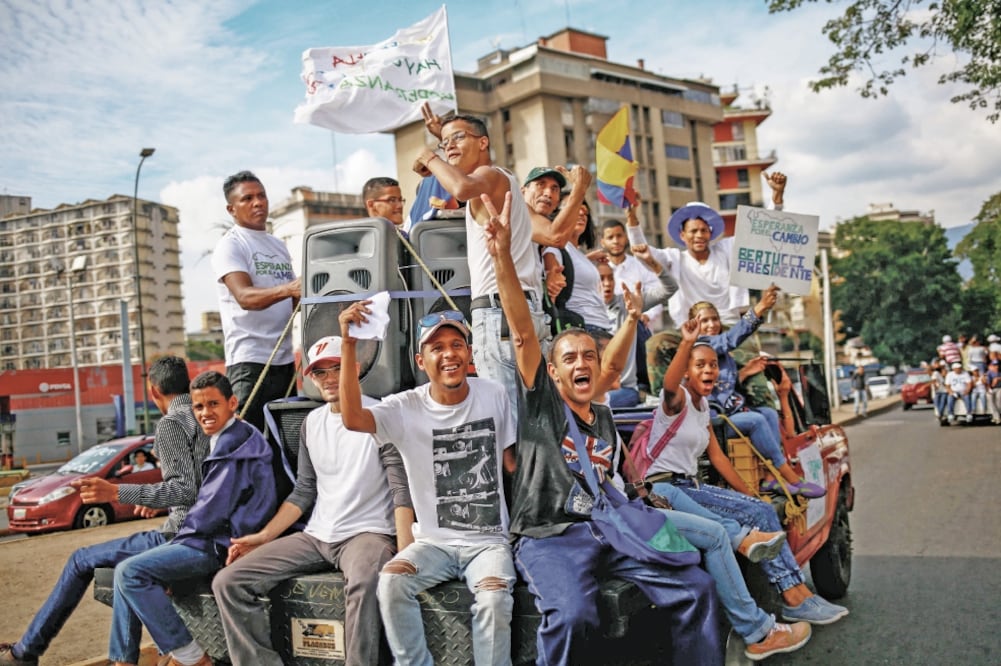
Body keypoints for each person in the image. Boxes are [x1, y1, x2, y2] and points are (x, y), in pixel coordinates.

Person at [483, 191, 725, 665]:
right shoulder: (542, 406)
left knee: (696, 586)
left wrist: (631, 319)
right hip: (551, 537)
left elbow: (614, 364)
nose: (581, 364)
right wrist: (502, 258)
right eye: (569, 358)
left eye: (588, 357)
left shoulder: (605, 417)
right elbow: (523, 332)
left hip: (607, 530)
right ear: (554, 374)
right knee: (573, 615)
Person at [212, 336, 411, 666]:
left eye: (337, 368)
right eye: (320, 372)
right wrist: (263, 537)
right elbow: (304, 490)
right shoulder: (312, 422)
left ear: (355, 369)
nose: (329, 378)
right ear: (310, 378)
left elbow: (401, 490)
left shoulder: (380, 415)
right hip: (317, 536)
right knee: (229, 582)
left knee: (364, 583)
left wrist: (405, 552)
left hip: (368, 533)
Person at [338, 301, 517, 666]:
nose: (449, 354)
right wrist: (348, 344)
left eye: (456, 345)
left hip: (488, 544)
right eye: (437, 348)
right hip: (434, 544)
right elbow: (353, 418)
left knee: (494, 599)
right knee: (391, 583)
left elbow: (512, 464)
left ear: (469, 353)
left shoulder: (494, 394)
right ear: (421, 361)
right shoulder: (405, 408)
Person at [0, 356, 207, 666]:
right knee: (123, 565)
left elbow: (185, 490)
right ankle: (121, 661)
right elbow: (198, 484)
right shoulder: (205, 416)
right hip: (196, 527)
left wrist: (116, 492)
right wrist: (156, 499)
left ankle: (24, 653)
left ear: (153, 391)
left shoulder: (171, 423)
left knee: (79, 559)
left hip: (179, 535)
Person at [644, 318, 849, 629]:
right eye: (700, 365)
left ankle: (800, 594)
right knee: (757, 514)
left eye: (713, 365)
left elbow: (718, 458)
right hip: (665, 488)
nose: (709, 370)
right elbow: (669, 384)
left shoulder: (703, 408)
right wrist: (686, 342)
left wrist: (750, 496)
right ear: (686, 370)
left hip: (689, 485)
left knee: (760, 509)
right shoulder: (677, 400)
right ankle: (793, 598)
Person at [110, 371, 279, 666]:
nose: (205, 413)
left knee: (130, 572)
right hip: (212, 535)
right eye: (199, 407)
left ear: (232, 403)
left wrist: (176, 547)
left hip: (223, 543)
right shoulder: (231, 436)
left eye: (213, 404)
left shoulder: (234, 445)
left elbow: (210, 511)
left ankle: (192, 659)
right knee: (126, 570)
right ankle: (123, 661)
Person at [690, 295, 825, 498]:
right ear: (693, 325)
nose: (711, 324)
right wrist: (759, 309)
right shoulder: (700, 347)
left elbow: (722, 387)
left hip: (729, 412)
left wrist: (744, 373)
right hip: (713, 419)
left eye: (714, 319)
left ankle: (770, 478)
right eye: (704, 320)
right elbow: (728, 341)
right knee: (756, 420)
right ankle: (791, 477)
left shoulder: (724, 356)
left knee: (768, 414)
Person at [212, 170, 301, 433]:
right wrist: (289, 289)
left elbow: (291, 301)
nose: (258, 203)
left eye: (261, 196)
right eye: (247, 198)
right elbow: (244, 297)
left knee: (283, 444)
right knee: (248, 444)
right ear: (231, 209)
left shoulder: (278, 246)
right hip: (250, 362)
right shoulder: (230, 245)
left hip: (284, 360)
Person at [596, 245, 677, 407]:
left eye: (610, 278)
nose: (607, 284)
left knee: (593, 404)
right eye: (601, 279)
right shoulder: (582, 310)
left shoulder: (628, 303)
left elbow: (670, 288)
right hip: (594, 388)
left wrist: (651, 262)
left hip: (624, 389)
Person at [542, 197, 610, 333]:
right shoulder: (554, 248)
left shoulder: (575, 253)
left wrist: (588, 258)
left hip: (600, 326)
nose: (581, 213)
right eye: (574, 208)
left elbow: (572, 267)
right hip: (582, 328)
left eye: (585, 211)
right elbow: (553, 271)